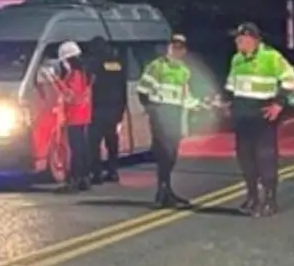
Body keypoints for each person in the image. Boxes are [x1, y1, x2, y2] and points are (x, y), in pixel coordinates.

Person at [223, 22, 294, 217]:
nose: (236, 41)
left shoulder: (271, 57)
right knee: (245, 158)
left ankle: (270, 199)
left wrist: (279, 104)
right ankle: (252, 197)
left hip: (262, 116)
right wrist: (225, 103)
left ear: (252, 39)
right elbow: (232, 87)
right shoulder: (237, 59)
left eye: (240, 38)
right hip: (242, 116)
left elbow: (291, 78)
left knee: (265, 158)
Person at [136, 34, 200, 208]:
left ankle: (166, 191)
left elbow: (185, 95)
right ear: (169, 48)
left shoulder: (184, 70)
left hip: (175, 113)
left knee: (171, 154)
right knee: (164, 152)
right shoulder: (157, 67)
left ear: (184, 51)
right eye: (174, 46)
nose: (176, 50)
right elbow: (142, 90)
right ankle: (162, 192)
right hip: (160, 112)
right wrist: (152, 110)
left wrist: (198, 106)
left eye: (180, 47)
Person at [52, 40, 93, 192]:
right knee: (81, 149)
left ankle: (75, 180)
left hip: (75, 117)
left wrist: (55, 81)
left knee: (76, 150)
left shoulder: (75, 75)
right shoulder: (84, 73)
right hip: (83, 116)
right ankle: (83, 179)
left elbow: (72, 96)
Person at [86, 36, 127, 184]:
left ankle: (96, 173)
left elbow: (89, 85)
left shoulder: (93, 64)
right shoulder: (117, 64)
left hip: (98, 108)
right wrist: (122, 108)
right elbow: (123, 87)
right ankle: (113, 171)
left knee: (94, 142)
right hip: (114, 108)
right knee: (112, 142)